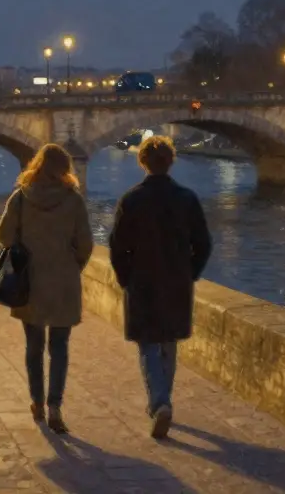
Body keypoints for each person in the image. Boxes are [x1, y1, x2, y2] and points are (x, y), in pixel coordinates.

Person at [108, 135, 212, 438]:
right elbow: (203, 243)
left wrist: (125, 277)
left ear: (143, 162)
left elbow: (117, 247)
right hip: (176, 281)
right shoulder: (188, 198)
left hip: (142, 281)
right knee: (168, 343)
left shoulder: (131, 199)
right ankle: (164, 399)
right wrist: (190, 273)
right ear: (170, 162)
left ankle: (159, 402)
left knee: (148, 344)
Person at [0, 143, 93, 435]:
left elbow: (3, 235)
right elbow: (86, 243)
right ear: (65, 169)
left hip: (30, 281)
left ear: (37, 165)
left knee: (34, 346)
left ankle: (36, 401)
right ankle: (55, 406)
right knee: (60, 347)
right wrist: (72, 263)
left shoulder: (21, 198)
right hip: (63, 281)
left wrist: (23, 251)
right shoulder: (73, 200)